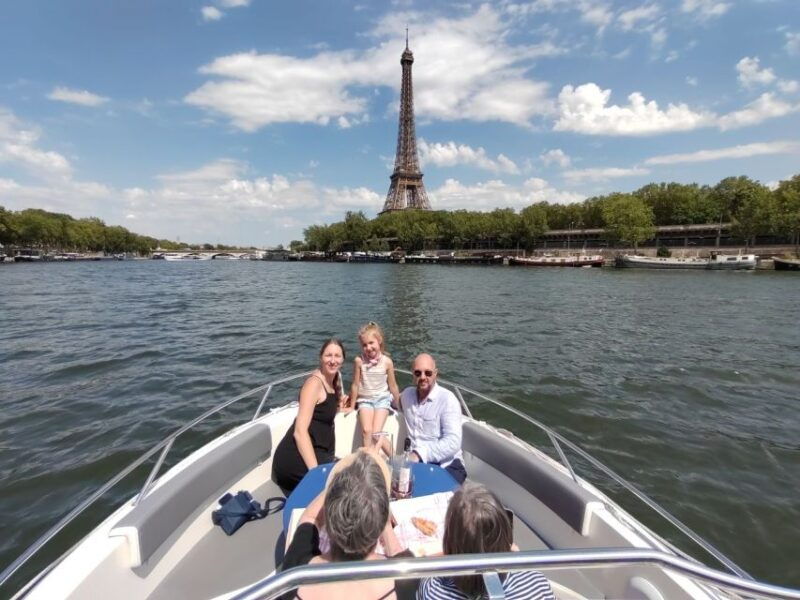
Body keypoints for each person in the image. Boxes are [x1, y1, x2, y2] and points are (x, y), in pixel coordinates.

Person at [280, 449, 413, 600]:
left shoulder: (295, 570)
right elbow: (397, 553)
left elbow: (310, 518)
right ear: (381, 522)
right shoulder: (406, 578)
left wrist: (337, 485)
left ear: (329, 519)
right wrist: (382, 517)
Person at [417, 482, 555, 600]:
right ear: (507, 538)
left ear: (449, 543)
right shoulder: (537, 584)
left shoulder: (434, 590)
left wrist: (446, 551)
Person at [272, 339, 350, 494]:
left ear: (343, 360)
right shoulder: (314, 384)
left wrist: (342, 407)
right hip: (295, 460)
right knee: (347, 483)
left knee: (352, 472)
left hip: (318, 452)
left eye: (337, 356)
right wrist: (315, 474)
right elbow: (299, 432)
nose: (333, 360)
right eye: (328, 355)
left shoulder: (333, 381)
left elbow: (322, 412)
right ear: (320, 357)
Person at [398, 354, 466, 484]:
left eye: (428, 373)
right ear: (413, 375)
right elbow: (392, 401)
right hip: (416, 465)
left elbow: (453, 441)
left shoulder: (447, 400)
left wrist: (419, 454)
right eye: (418, 373)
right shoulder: (407, 395)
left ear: (435, 374)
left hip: (447, 465)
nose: (423, 377)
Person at [350, 322, 400, 451]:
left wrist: (400, 404)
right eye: (364, 345)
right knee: (367, 431)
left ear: (379, 341)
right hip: (365, 400)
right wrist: (351, 405)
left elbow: (393, 385)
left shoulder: (387, 362)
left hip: (382, 399)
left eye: (371, 343)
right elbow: (355, 385)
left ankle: (392, 457)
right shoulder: (359, 361)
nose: (368, 347)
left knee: (376, 433)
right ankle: (371, 458)